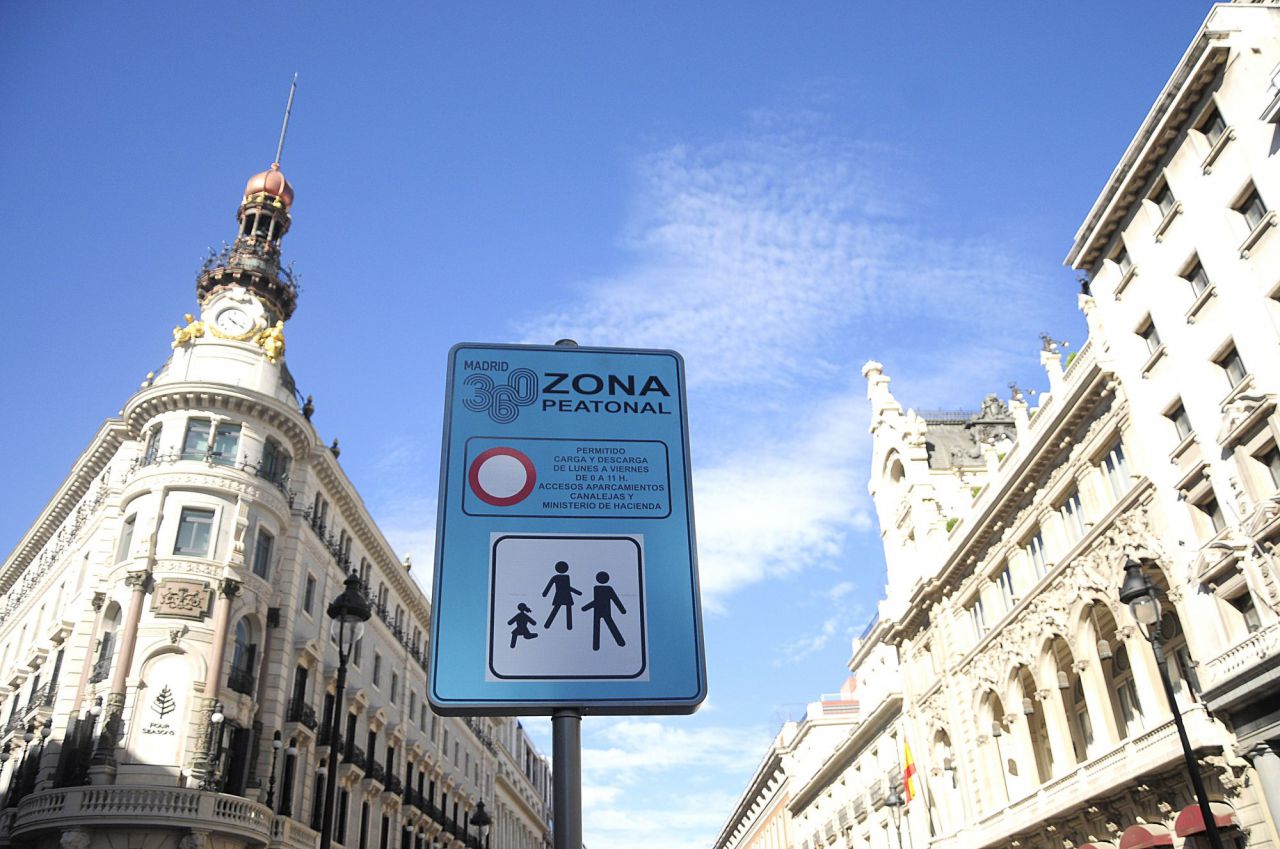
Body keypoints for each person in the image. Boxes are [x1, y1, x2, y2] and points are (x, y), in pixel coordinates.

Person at [582, 571, 626, 651]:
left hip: (601, 611)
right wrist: (622, 610)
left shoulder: (600, 589)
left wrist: (585, 607)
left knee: (600, 626)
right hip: (602, 611)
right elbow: (615, 600)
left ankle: (619, 642)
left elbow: (599, 601)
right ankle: (619, 642)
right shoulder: (602, 589)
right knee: (605, 626)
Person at [541, 561, 582, 630]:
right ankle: (549, 624)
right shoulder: (561, 577)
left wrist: (545, 593)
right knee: (561, 609)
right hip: (564, 595)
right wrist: (577, 592)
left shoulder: (558, 577)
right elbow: (568, 587)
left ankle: (550, 624)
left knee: (559, 609)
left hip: (562, 595)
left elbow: (567, 587)